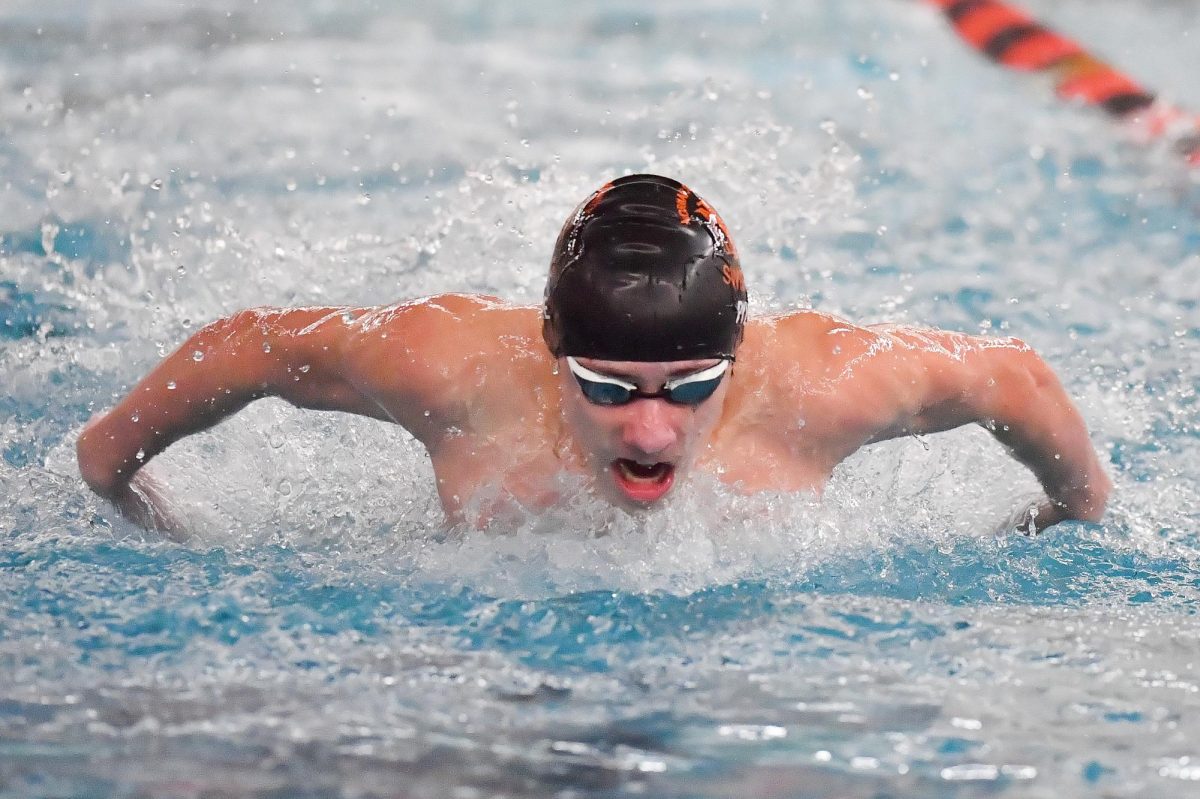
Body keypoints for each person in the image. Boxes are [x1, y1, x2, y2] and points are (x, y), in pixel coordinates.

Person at [76, 174, 1110, 534]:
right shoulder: (450, 369)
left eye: (689, 388)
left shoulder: (827, 387)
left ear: (736, 360)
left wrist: (1068, 512)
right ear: (550, 349)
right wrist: (114, 470)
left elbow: (1009, 374)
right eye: (610, 389)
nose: (652, 430)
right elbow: (252, 344)